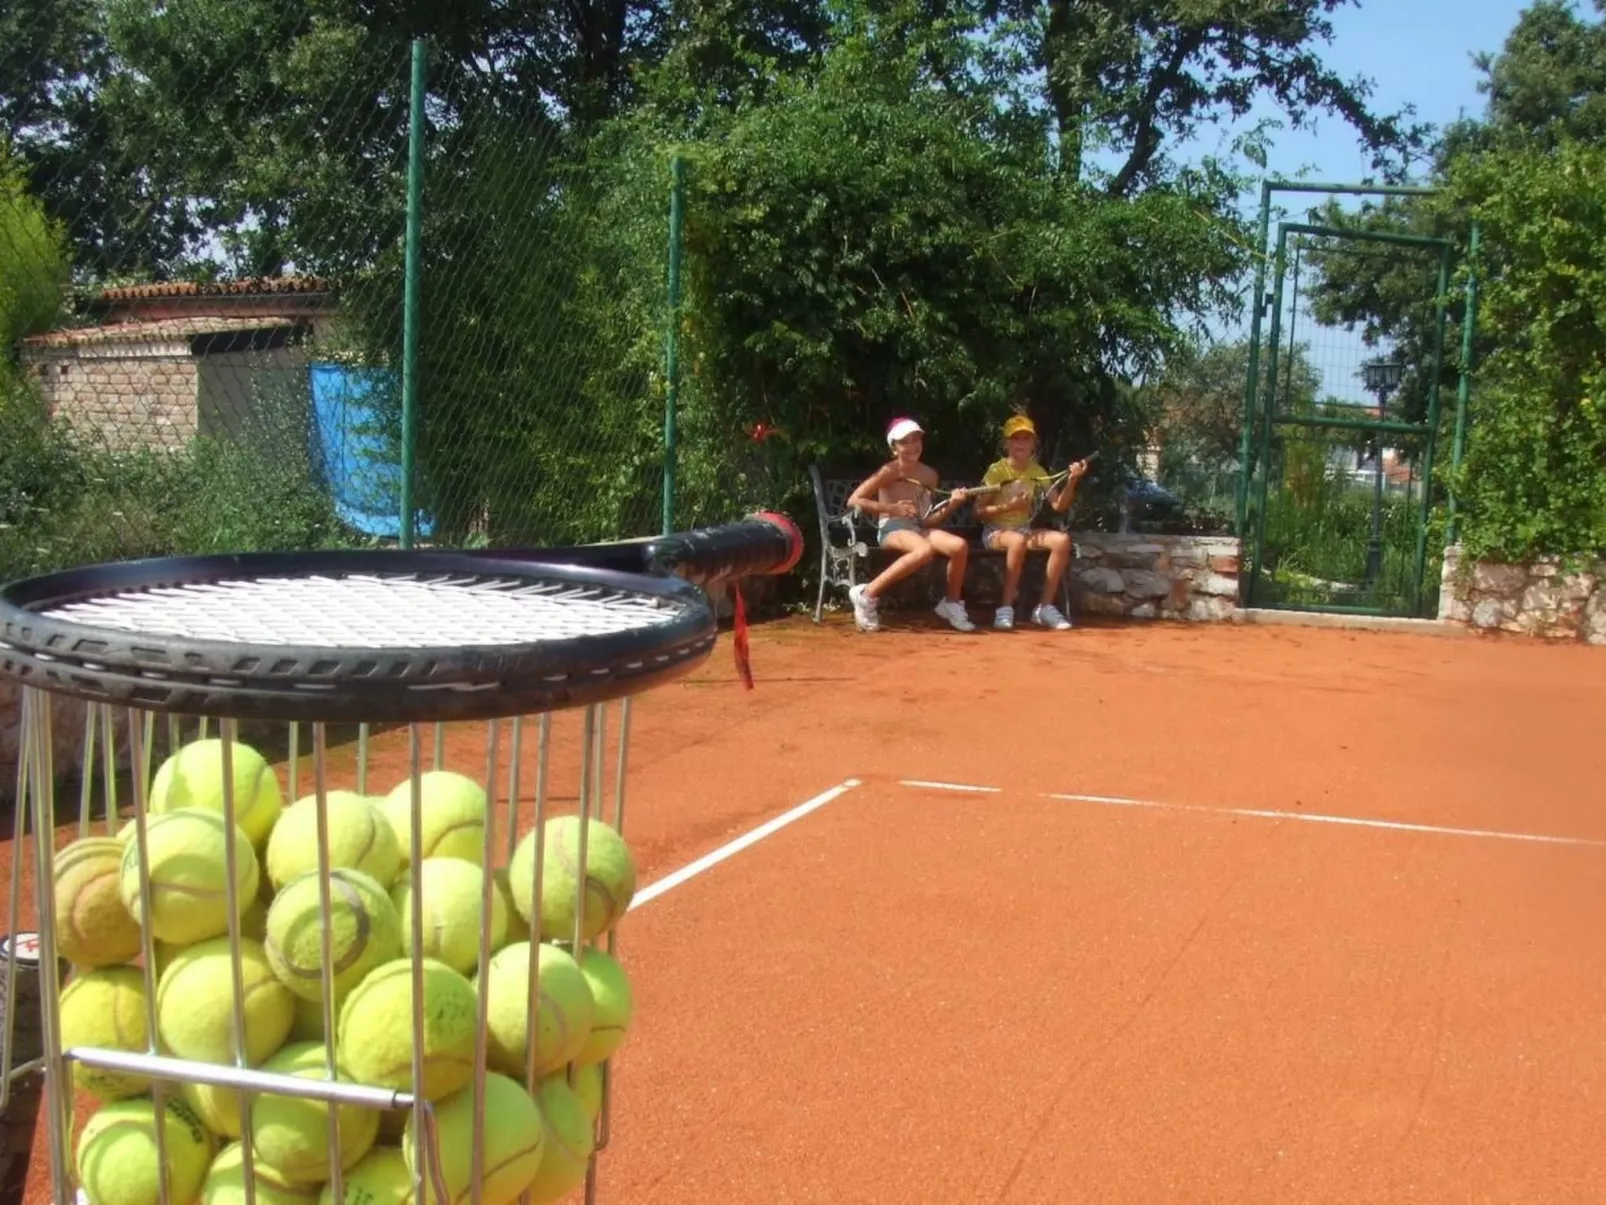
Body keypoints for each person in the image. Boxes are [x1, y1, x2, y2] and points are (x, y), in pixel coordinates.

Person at [844, 417, 977, 633]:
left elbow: (927, 519)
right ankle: (867, 594)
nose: (912, 446)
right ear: (894, 448)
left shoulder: (930, 475)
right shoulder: (889, 471)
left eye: (916, 439)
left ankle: (951, 603)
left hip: (917, 528)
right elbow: (854, 500)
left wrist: (952, 505)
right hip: (891, 528)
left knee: (959, 546)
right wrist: (892, 509)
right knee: (924, 550)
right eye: (904, 441)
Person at [971, 414, 1088, 631]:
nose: (1021, 443)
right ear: (1007, 443)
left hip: (1023, 531)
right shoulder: (996, 471)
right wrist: (1008, 507)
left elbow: (1058, 506)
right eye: (1016, 438)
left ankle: (1044, 607)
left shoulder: (1037, 471)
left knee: (1061, 541)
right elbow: (977, 511)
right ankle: (1005, 608)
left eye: (1026, 438)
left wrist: (1072, 481)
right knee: (1016, 541)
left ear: (1034, 443)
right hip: (996, 532)